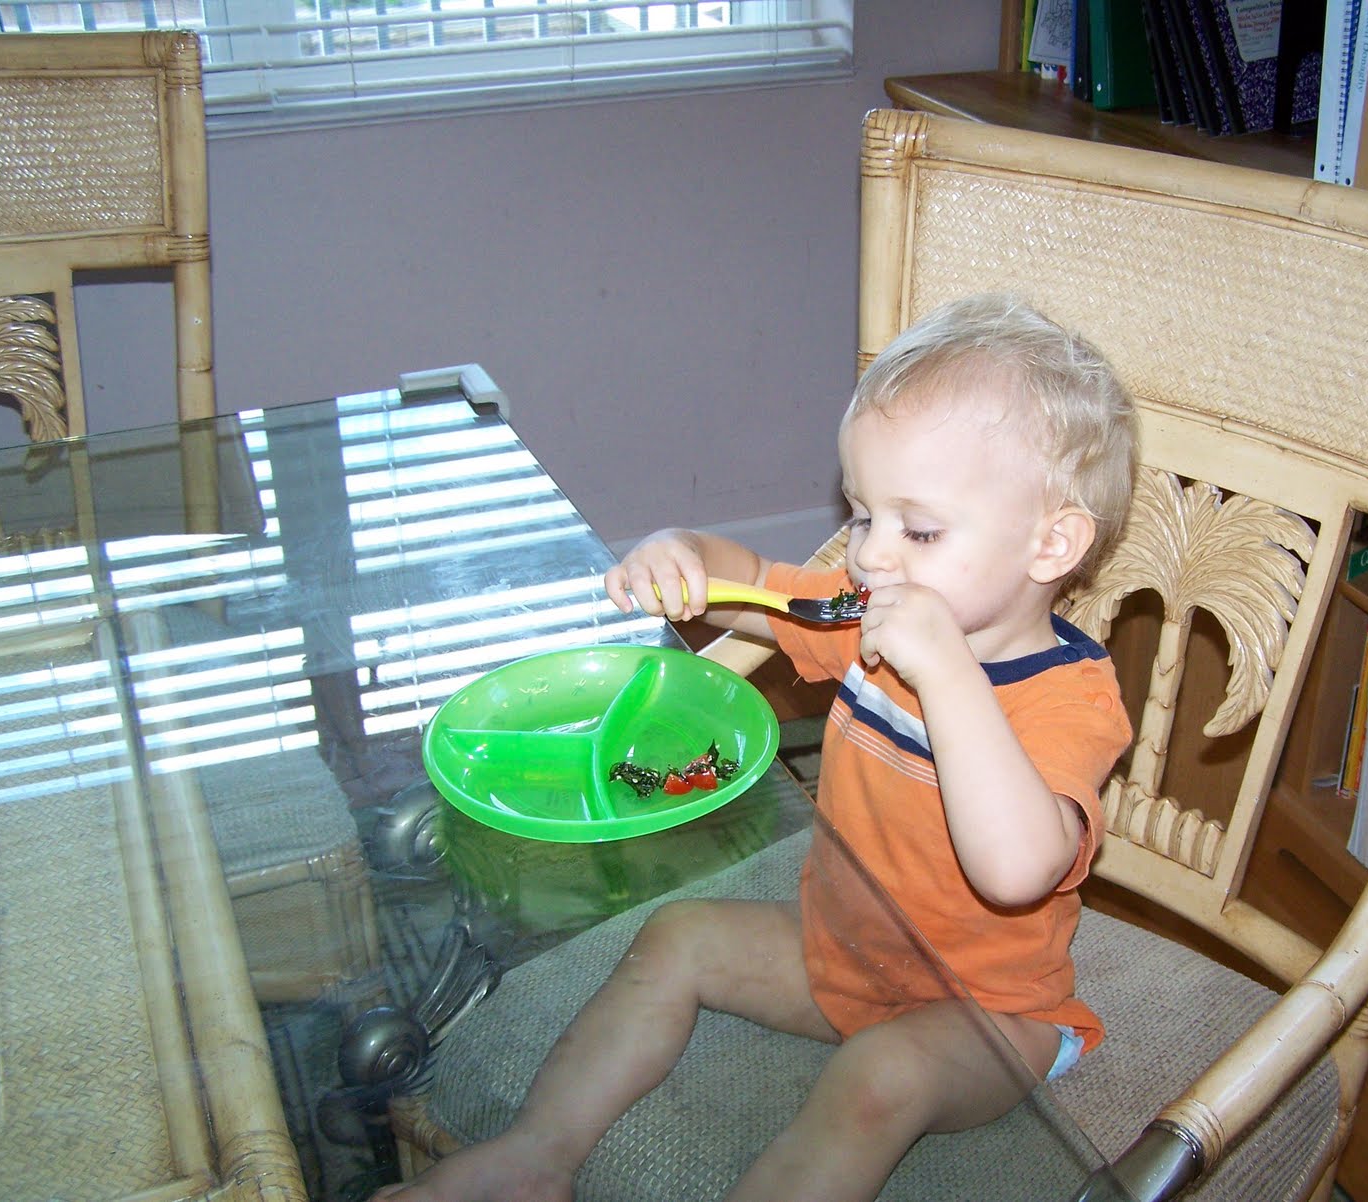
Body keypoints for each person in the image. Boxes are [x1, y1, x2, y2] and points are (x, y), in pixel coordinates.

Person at [376, 293, 1137, 1202]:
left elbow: (1016, 870)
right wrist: (679, 552)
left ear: (1052, 543)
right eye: (862, 516)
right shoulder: (865, 616)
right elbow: (753, 591)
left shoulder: (1073, 700)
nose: (871, 558)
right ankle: (537, 1154)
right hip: (843, 954)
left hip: (992, 1012)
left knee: (878, 1078)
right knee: (677, 937)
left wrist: (947, 677)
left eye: (919, 529)